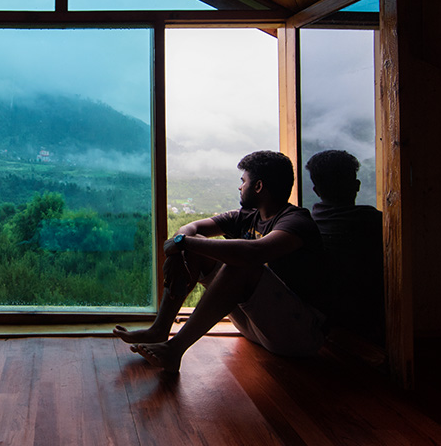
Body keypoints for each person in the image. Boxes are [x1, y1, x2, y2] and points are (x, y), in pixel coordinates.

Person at [113, 150, 327, 372]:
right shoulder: (246, 216)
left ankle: (174, 350)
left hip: (300, 333)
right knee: (196, 248)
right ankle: (159, 329)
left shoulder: (296, 221)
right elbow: (192, 229)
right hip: (258, 326)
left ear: (259, 186)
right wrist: (179, 249)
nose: (240, 187)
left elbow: (254, 253)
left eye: (243, 181)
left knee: (241, 265)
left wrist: (182, 243)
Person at [305, 149, 384, 345]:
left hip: (321, 321)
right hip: (369, 321)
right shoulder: (376, 222)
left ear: (316, 190)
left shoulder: (305, 226)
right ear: (356, 185)